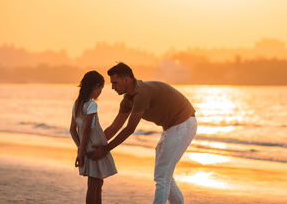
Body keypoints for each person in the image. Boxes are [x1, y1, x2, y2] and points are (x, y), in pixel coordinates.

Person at [88, 62, 197, 204]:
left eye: (115, 83)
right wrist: (93, 145)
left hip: (184, 124)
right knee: (164, 175)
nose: (112, 87)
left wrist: (105, 149)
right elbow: (114, 127)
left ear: (126, 79)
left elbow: (129, 129)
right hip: (171, 128)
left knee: (162, 175)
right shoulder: (127, 100)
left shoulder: (141, 94)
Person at [69, 71, 117, 204]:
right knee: (94, 184)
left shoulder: (77, 104)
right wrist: (82, 151)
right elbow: (87, 131)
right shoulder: (91, 105)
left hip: (86, 147)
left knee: (98, 182)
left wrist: (80, 149)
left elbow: (73, 130)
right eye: (101, 88)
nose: (100, 92)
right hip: (95, 148)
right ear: (96, 86)